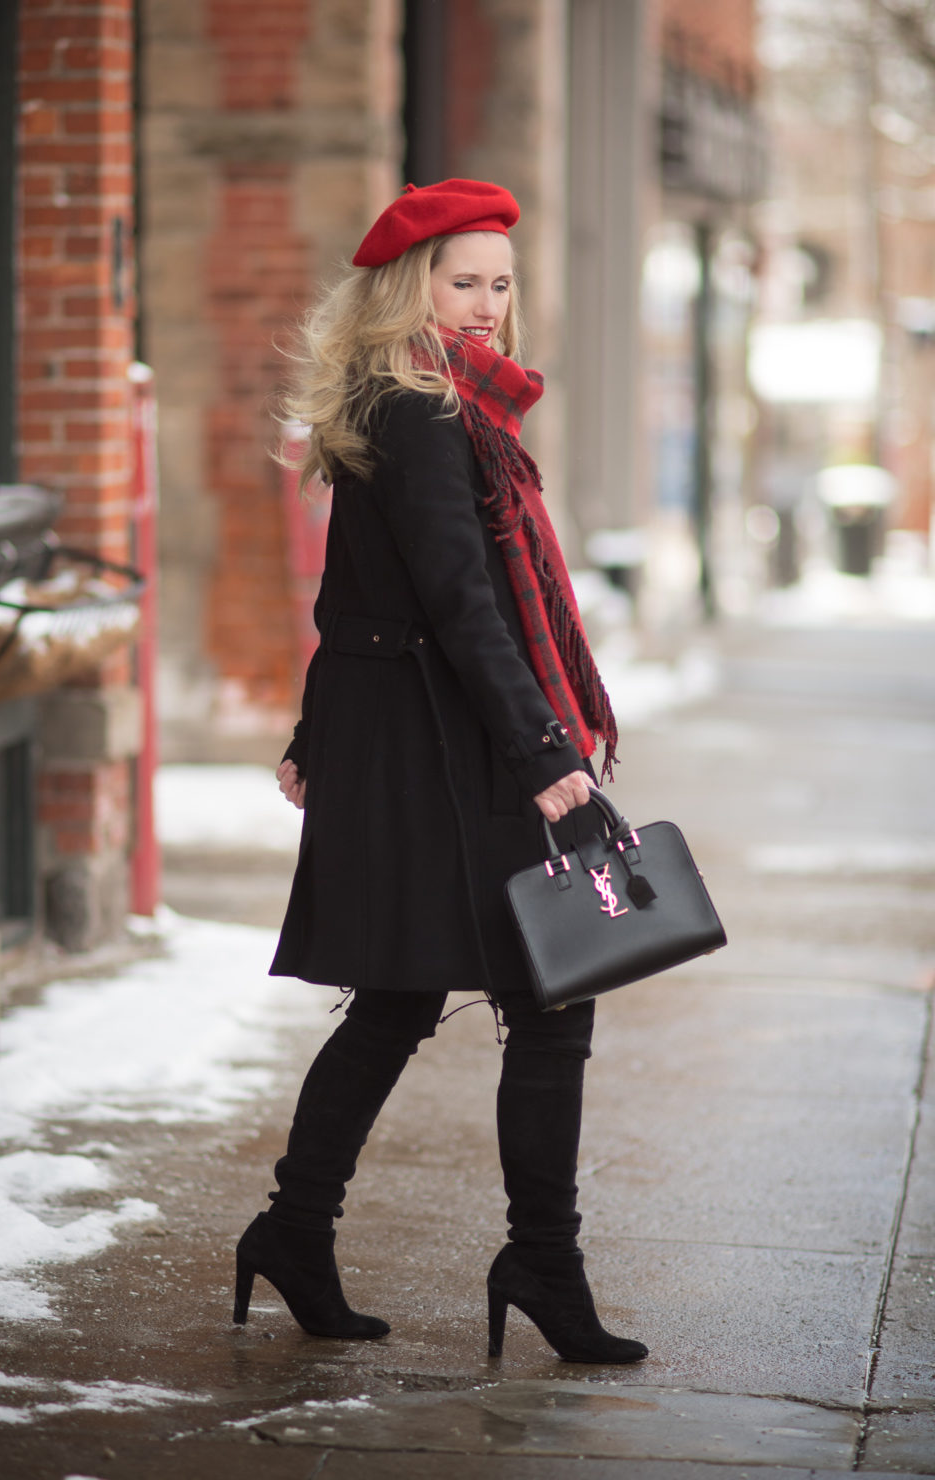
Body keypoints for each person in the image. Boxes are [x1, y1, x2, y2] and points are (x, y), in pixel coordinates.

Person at [233, 179, 648, 1365]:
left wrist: (318, 734)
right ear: (407, 289)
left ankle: (298, 1230)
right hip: (438, 732)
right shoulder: (419, 407)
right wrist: (545, 753)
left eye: (500, 283)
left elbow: (356, 591)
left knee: (415, 996)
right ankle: (537, 1263)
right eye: (460, 280)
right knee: (548, 992)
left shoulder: (438, 400)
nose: (484, 303)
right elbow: (462, 602)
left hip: (417, 722)